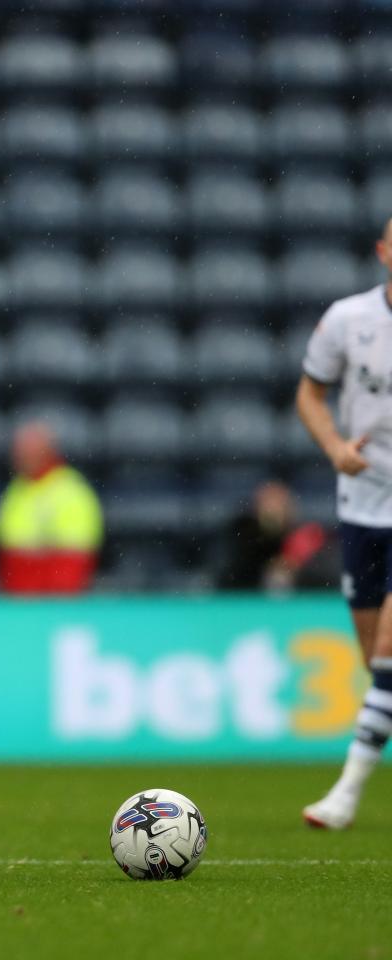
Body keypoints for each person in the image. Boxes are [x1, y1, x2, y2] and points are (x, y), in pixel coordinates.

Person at [296, 216, 392, 830]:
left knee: (389, 653)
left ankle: (345, 795)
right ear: (384, 251)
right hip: (362, 504)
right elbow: (309, 394)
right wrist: (335, 447)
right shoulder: (347, 319)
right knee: (375, 662)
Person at [0, 421, 102, 594]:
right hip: (19, 595)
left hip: (58, 597)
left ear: (49, 451)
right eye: (20, 451)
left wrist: (34, 559)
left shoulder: (72, 489)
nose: (23, 456)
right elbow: (6, 551)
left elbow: (77, 558)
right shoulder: (16, 490)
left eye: (31, 451)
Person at [215, 479, 334, 593]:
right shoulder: (241, 535)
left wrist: (294, 564)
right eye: (268, 504)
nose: (273, 510)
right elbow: (229, 575)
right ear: (256, 507)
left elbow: (327, 581)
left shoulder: (306, 538)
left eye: (279, 504)